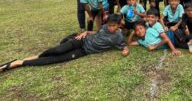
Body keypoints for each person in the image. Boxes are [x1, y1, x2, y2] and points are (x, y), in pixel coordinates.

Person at [0, 15, 129, 72]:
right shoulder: (105, 27)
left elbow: (124, 45)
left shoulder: (118, 36)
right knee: (57, 50)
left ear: (118, 26)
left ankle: (19, 62)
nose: (110, 28)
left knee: (55, 59)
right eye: (109, 25)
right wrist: (86, 33)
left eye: (113, 26)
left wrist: (125, 51)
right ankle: (34, 57)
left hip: (83, 51)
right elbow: (97, 31)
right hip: (81, 41)